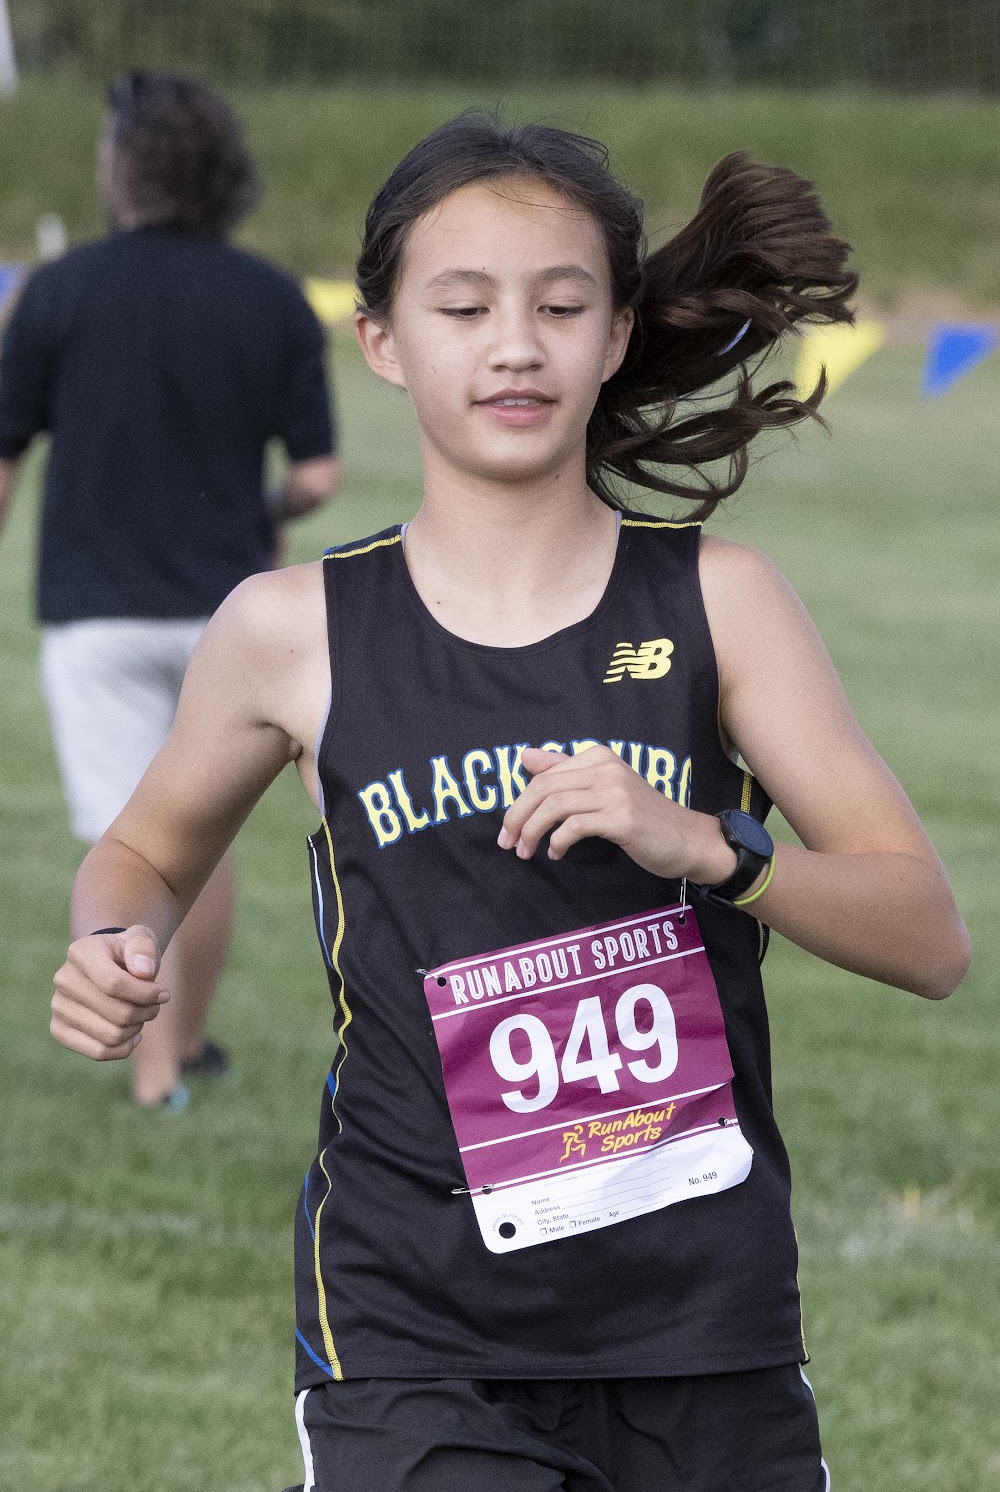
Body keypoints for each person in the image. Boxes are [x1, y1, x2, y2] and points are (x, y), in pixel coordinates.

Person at [48, 116, 969, 1491]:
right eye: (464, 307)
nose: (516, 346)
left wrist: (710, 846)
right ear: (381, 340)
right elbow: (144, 851)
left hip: (700, 1317)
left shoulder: (722, 604)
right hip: (411, 1325)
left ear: (616, 334)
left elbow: (929, 937)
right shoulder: (291, 631)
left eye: (560, 305)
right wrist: (112, 937)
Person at [0, 71, 339, 1109]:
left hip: (95, 614)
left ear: (120, 169)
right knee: (202, 839)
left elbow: (4, 453)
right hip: (229, 620)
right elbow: (317, 475)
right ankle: (183, 1046)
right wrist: (263, 513)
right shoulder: (272, 299)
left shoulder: (58, 290)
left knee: (131, 840)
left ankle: (153, 1081)